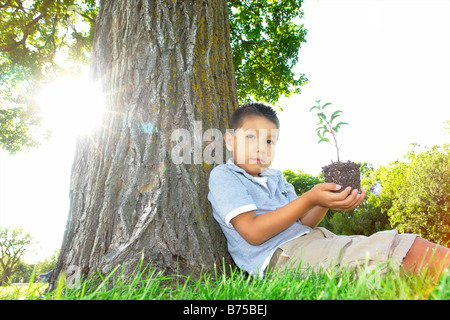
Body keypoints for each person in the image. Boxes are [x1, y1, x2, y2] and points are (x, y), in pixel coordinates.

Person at [207, 102, 449, 279]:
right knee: (397, 250)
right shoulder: (225, 176)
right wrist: (310, 197)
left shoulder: (276, 177)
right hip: (281, 256)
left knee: (399, 247)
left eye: (269, 141)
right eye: (251, 137)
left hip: (315, 240)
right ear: (229, 140)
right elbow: (253, 233)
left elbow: (303, 223)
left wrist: (324, 201)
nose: (260, 148)